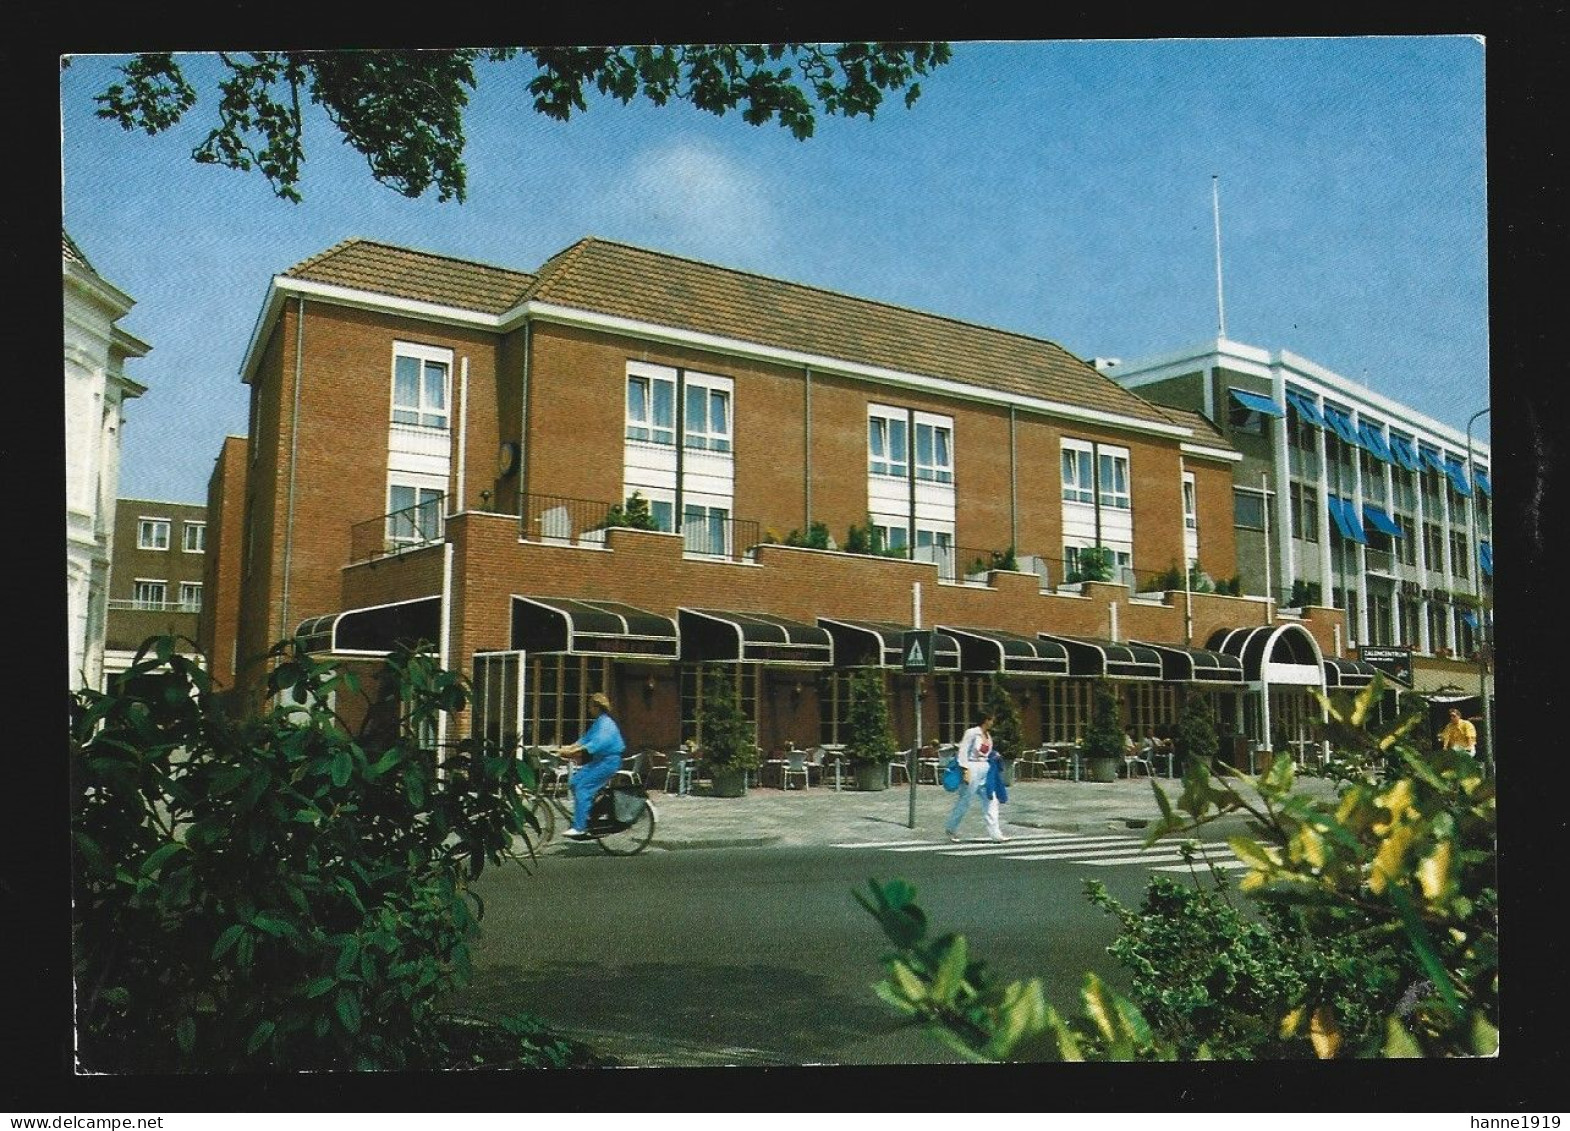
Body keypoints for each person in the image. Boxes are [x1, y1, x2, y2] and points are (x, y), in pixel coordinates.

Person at [556, 691, 626, 838]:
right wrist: (567, 748)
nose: (589, 710)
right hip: (599, 760)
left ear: (597, 707)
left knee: (583, 787)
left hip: (609, 761)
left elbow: (595, 744)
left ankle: (580, 827)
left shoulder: (606, 724)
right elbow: (584, 740)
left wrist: (572, 751)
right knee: (574, 782)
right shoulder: (599, 722)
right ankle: (587, 811)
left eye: (590, 706)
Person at [944, 711, 1008, 843]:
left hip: (985, 768)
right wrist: (965, 769)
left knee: (991, 799)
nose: (993, 722)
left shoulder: (988, 736)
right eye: (991, 720)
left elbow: (986, 752)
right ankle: (951, 828)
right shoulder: (972, 732)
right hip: (972, 767)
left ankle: (995, 833)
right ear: (986, 720)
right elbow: (963, 750)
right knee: (965, 800)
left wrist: (994, 755)